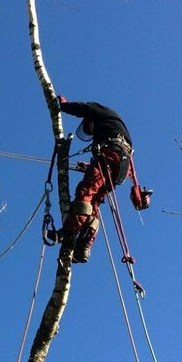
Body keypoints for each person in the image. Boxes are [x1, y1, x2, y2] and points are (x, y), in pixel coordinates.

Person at [57, 98, 133, 263]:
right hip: (120, 165)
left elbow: (83, 108)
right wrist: (90, 167)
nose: (91, 132)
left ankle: (69, 231)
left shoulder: (103, 112)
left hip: (112, 155)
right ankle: (84, 247)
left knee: (86, 191)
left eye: (89, 128)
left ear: (91, 120)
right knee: (95, 202)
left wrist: (63, 105)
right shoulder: (114, 130)